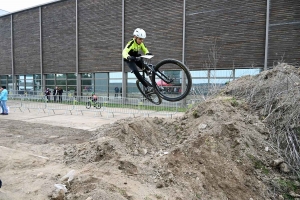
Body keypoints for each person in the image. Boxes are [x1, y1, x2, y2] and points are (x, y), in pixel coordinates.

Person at [122, 28, 153, 93]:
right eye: (140, 39)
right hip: (129, 59)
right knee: (136, 71)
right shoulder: (131, 43)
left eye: (142, 39)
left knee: (146, 68)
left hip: (136, 57)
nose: (141, 41)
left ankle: (151, 80)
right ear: (135, 37)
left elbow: (145, 49)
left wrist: (147, 53)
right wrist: (128, 57)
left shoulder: (141, 43)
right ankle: (147, 87)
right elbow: (124, 52)